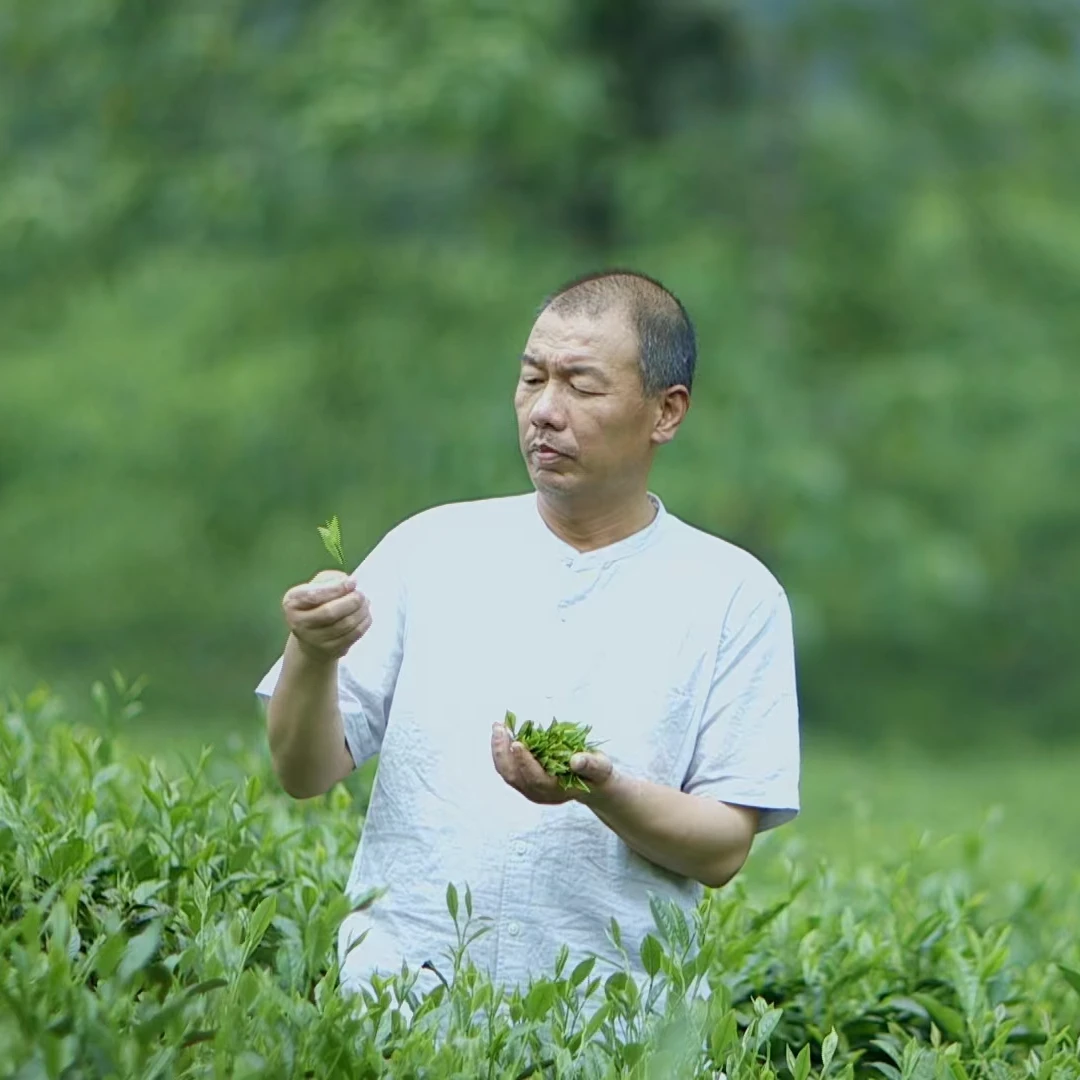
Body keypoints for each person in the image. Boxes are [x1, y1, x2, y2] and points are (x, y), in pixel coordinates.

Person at [254, 269, 800, 1015]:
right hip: (398, 1016)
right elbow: (303, 770)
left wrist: (600, 790)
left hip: (610, 1034)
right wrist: (311, 655)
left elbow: (722, 848)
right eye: (532, 378)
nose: (545, 411)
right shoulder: (433, 547)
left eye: (581, 385)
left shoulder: (733, 594)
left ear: (666, 412)